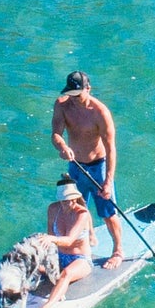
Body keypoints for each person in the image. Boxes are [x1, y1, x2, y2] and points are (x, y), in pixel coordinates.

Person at [51, 71, 124, 268]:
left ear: (88, 89)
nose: (73, 100)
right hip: (75, 167)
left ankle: (118, 251)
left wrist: (108, 182)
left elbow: (111, 149)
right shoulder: (62, 105)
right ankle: (90, 235)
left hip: (98, 167)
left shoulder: (100, 112)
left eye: (78, 95)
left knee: (108, 213)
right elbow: (56, 134)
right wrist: (63, 147)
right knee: (76, 207)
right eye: (71, 95)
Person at [32, 176, 95, 308]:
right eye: (67, 200)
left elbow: (70, 240)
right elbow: (50, 236)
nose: (72, 203)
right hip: (59, 256)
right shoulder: (53, 209)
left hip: (80, 259)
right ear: (60, 199)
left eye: (74, 199)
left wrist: (50, 239)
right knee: (32, 265)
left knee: (65, 274)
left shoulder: (82, 214)